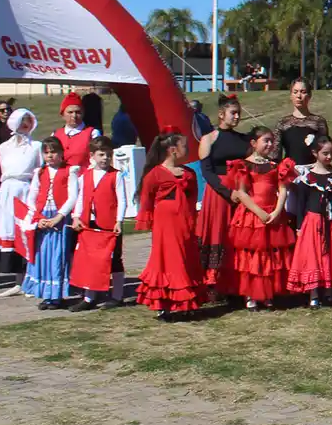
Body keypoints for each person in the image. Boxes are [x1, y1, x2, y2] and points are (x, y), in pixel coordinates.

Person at [135, 129, 205, 320]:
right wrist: (147, 220)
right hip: (165, 223)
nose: (189, 149)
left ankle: (187, 301)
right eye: (185, 146)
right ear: (173, 150)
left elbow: (192, 200)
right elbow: (146, 200)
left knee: (186, 256)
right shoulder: (155, 174)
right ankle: (163, 303)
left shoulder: (189, 173)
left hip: (184, 221)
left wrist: (193, 220)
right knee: (167, 259)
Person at [223, 127, 294, 310]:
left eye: (271, 141)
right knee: (252, 256)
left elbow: (283, 189)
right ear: (254, 143)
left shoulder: (275, 165)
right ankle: (250, 294)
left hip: (272, 214)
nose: (270, 144)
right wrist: (259, 213)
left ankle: (268, 293)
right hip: (252, 216)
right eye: (266, 141)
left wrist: (277, 211)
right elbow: (242, 193)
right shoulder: (243, 165)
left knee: (270, 255)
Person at [286, 135, 332, 308]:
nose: (329, 157)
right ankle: (314, 293)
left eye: (331, 153)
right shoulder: (308, 178)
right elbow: (301, 204)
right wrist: (299, 226)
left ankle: (330, 291)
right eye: (325, 153)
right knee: (314, 256)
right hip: (313, 222)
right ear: (315, 153)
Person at [196, 94, 249, 292]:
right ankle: (213, 282)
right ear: (221, 114)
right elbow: (207, 172)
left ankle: (236, 282)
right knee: (218, 235)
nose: (236, 117)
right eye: (233, 113)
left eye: (238, 113)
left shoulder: (244, 140)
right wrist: (228, 192)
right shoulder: (208, 138)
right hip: (218, 194)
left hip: (241, 193)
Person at [0, 107, 39, 288]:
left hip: (26, 190)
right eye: (21, 121)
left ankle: (31, 277)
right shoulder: (3, 147)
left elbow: (39, 171)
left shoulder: (36, 146)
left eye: (27, 121)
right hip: (7, 191)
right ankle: (18, 280)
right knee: (11, 232)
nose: (24, 125)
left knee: (27, 232)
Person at [20, 137, 79, 309]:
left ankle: (57, 295)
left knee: (57, 256)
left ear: (61, 153)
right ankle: (46, 294)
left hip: (59, 218)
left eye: (53, 152)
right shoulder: (40, 172)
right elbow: (32, 196)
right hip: (43, 217)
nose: (50, 156)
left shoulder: (70, 171)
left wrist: (59, 217)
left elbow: (72, 196)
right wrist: (38, 217)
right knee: (42, 255)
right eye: (46, 153)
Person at [69, 136, 123, 311]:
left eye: (108, 154)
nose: (105, 158)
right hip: (89, 224)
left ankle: (117, 295)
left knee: (114, 259)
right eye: (102, 154)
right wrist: (76, 216)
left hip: (109, 224)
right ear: (92, 155)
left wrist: (119, 220)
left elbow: (122, 200)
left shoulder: (116, 175)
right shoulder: (85, 176)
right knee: (90, 260)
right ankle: (89, 297)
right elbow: (80, 198)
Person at [273, 79, 330, 171]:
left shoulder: (319, 122)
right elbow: (275, 155)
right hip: (290, 172)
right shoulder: (283, 123)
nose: (299, 96)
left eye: (303, 92)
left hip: (313, 171)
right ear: (291, 95)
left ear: (309, 95)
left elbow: (325, 150)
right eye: (295, 92)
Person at [52, 92, 101, 168]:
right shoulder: (55, 135)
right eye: (70, 112)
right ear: (62, 115)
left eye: (78, 112)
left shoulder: (92, 133)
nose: (74, 116)